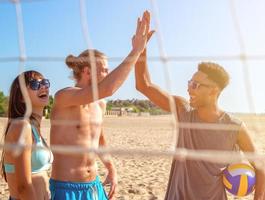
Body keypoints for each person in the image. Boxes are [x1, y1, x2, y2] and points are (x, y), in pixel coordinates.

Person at [135, 43, 265, 199]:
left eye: (195, 85)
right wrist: (140, 49)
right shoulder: (183, 110)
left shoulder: (234, 127)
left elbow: (260, 166)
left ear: (213, 90)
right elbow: (144, 85)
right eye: (190, 83)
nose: (189, 89)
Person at [49, 11, 152, 200]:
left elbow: (99, 139)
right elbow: (109, 88)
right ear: (87, 71)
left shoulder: (100, 104)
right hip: (66, 188)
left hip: (94, 186)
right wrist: (136, 51)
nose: (108, 73)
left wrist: (111, 169)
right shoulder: (64, 97)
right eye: (104, 69)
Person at [1, 70, 53, 200]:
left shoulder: (32, 127)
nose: (43, 86)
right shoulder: (22, 126)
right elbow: (23, 186)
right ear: (21, 97)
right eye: (35, 84)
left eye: (45, 83)